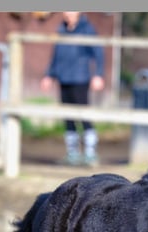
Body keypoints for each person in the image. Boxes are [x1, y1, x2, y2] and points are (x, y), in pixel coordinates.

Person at [40, 12, 105, 166]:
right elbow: (56, 55)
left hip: (80, 78)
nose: (68, 14)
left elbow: (98, 53)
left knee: (84, 116)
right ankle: (72, 153)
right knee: (68, 117)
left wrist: (98, 74)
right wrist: (49, 75)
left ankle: (90, 153)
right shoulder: (61, 29)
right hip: (64, 78)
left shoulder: (87, 29)